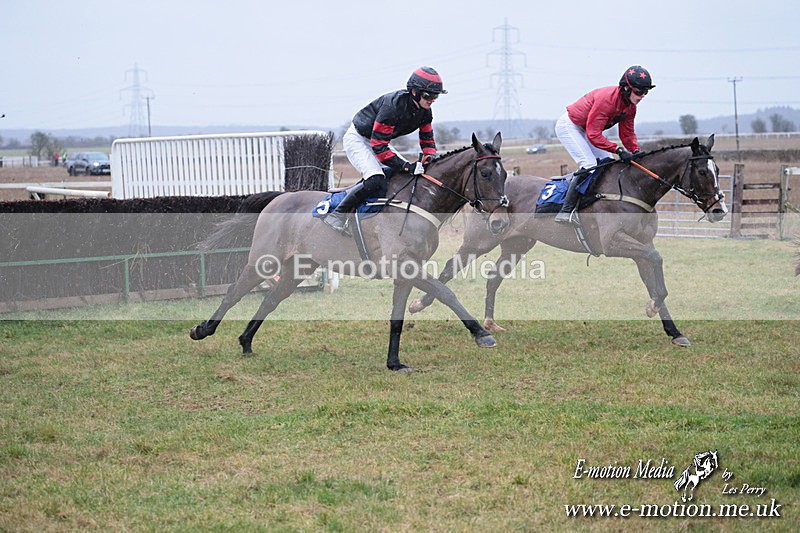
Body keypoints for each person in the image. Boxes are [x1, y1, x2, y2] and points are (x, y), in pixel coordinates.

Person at [324, 66, 446, 234]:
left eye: (435, 96)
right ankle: (338, 215)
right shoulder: (393, 106)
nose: (432, 100)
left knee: (403, 177)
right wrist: (407, 166)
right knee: (375, 179)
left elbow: (427, 138)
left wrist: (430, 156)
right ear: (414, 92)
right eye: (428, 95)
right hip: (358, 139)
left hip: (378, 141)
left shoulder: (425, 111)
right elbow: (379, 148)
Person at [553, 65, 655, 225]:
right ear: (627, 88)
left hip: (587, 129)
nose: (642, 96)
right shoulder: (606, 100)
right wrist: (618, 150)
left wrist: (636, 151)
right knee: (589, 164)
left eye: (646, 92)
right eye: (639, 91)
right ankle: (566, 210)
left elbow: (627, 134)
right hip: (570, 126)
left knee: (607, 165)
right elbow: (594, 135)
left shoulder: (630, 107)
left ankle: (594, 204)